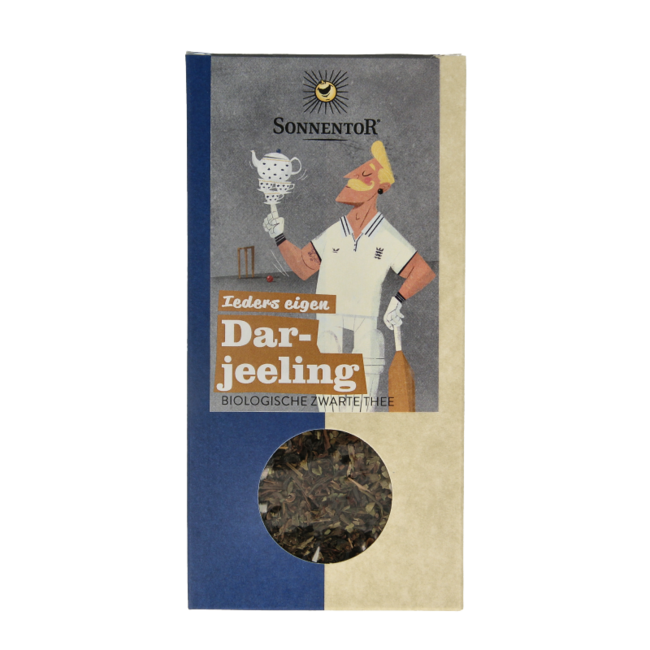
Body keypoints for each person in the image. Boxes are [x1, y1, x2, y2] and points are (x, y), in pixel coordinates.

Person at [263, 141, 435, 412]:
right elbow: (304, 268)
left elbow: (422, 271)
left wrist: (397, 300)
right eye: (354, 176)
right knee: (329, 410)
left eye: (363, 176)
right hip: (328, 325)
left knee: (362, 407)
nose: (352, 180)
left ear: (380, 187)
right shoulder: (334, 231)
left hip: (365, 326)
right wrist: (279, 236)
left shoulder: (386, 235)